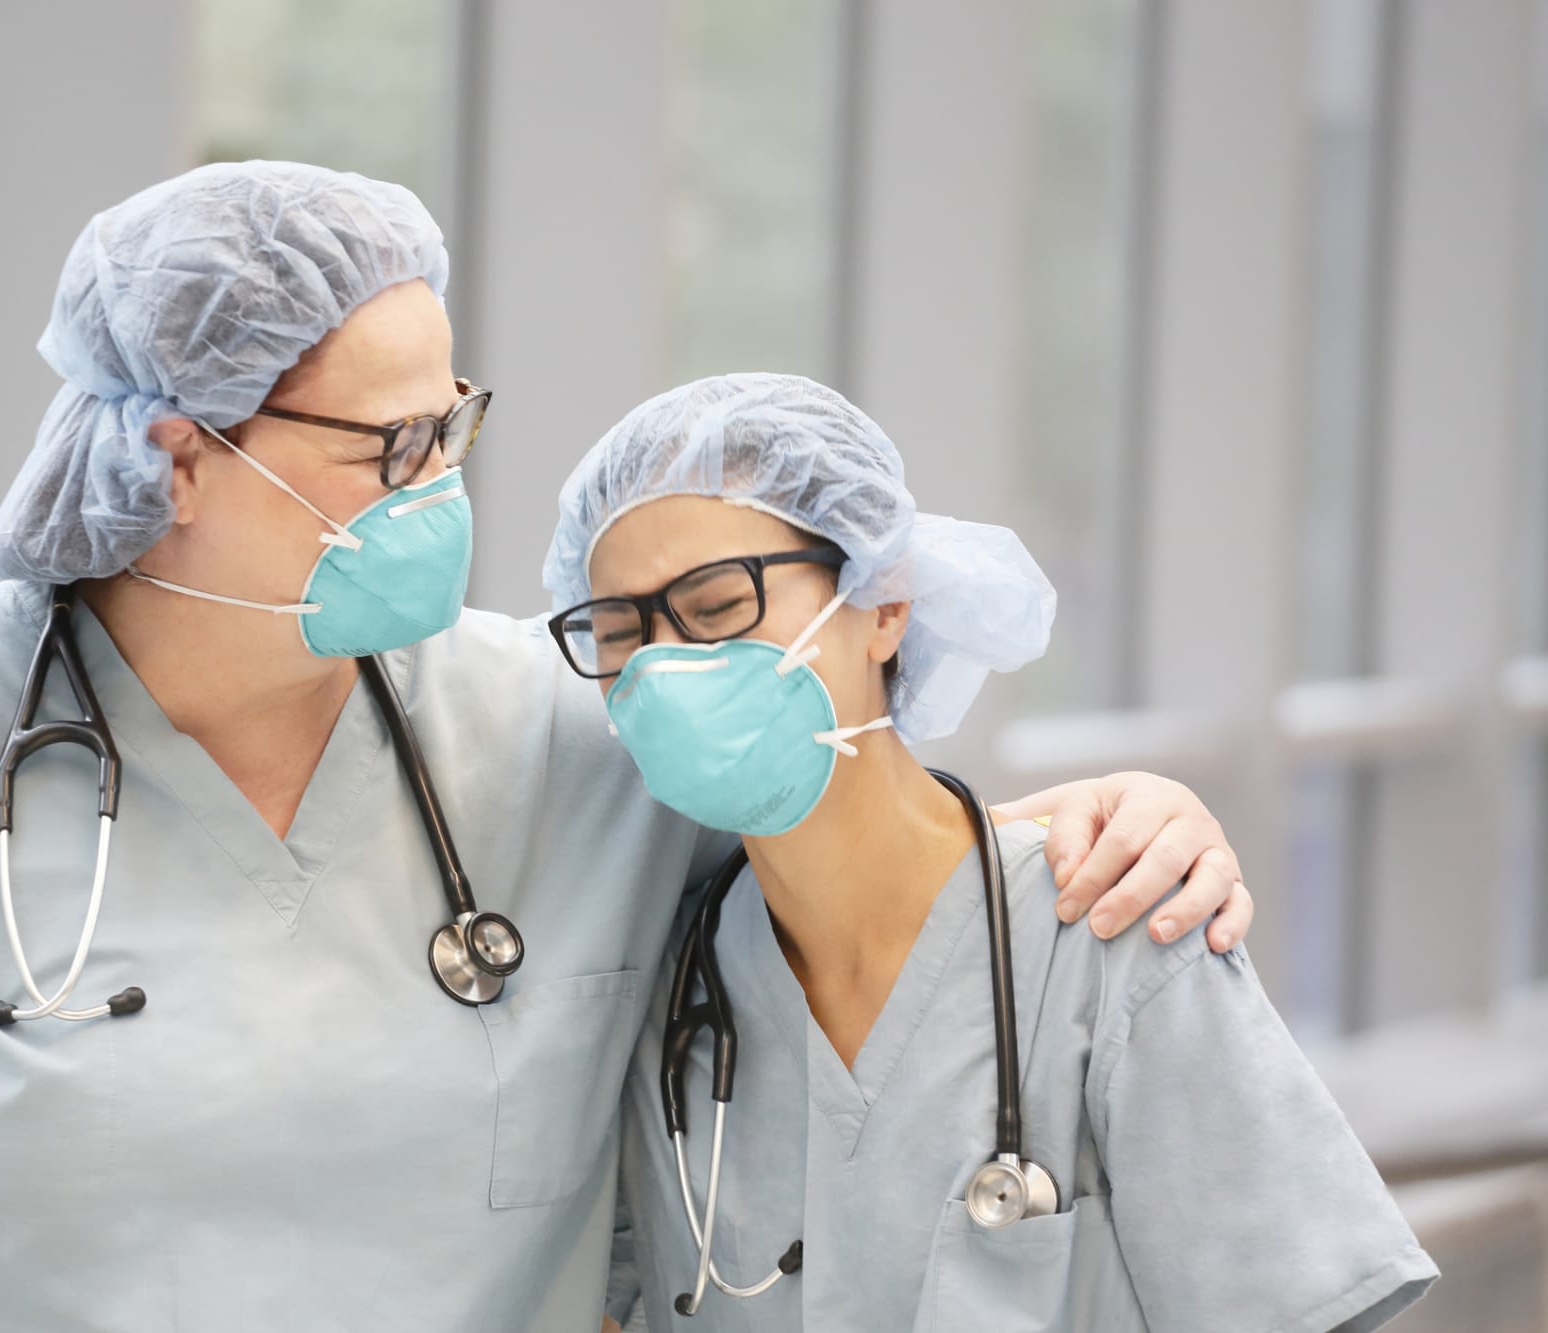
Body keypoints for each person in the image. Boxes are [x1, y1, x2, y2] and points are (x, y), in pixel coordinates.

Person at [0, 164, 1252, 1332]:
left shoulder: (565, 737)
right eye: (389, 446)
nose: (444, 483)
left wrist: (1118, 817)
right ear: (180, 452)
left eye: (455, 423)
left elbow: (880, 880)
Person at [542, 373, 1436, 1331]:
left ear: (884, 602)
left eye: (717, 606)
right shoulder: (666, 997)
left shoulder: (1112, 925)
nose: (667, 667)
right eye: (622, 633)